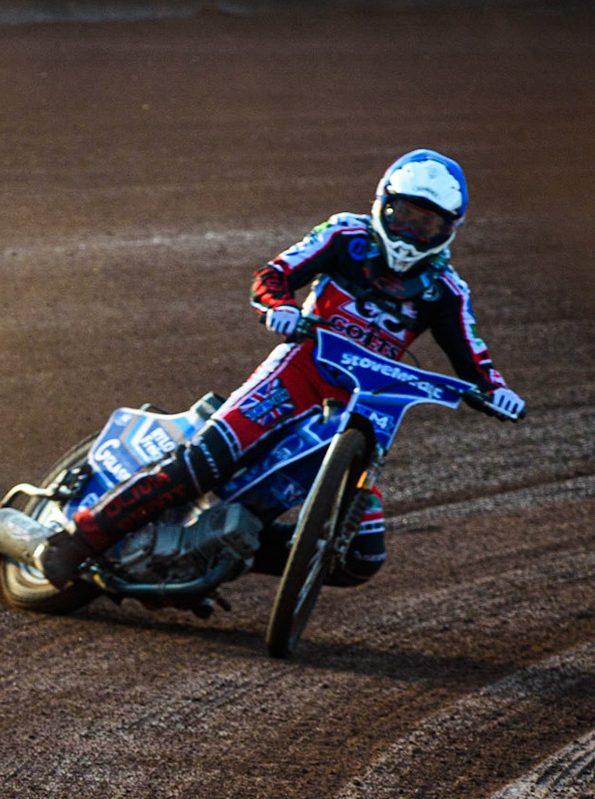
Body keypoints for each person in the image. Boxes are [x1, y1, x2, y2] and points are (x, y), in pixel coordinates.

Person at [38, 149, 526, 589]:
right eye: (406, 217)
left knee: (362, 556)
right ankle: (79, 539)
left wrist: (496, 391)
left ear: (449, 231)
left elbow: (473, 356)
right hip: (299, 370)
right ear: (384, 204)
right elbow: (273, 275)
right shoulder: (343, 235)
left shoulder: (448, 291)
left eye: (429, 225)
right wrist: (278, 307)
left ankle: (226, 547)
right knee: (206, 461)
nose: (413, 233)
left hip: (367, 406)